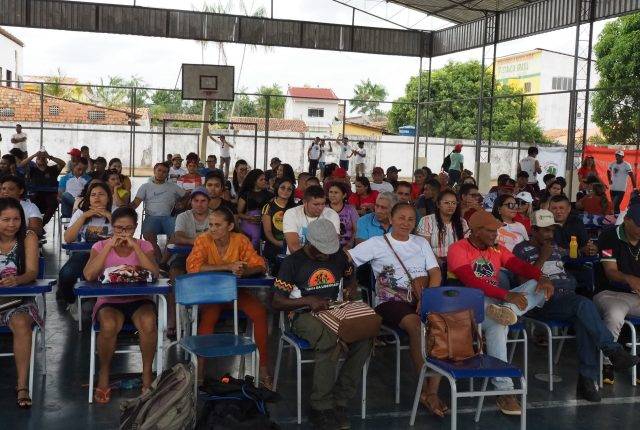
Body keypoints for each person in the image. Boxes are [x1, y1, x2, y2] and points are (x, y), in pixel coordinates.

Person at [513, 209, 638, 401]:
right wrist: (543, 257)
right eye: (545, 230)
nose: (550, 234)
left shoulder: (555, 247)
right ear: (534, 230)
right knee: (583, 305)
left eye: (552, 230)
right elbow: (523, 283)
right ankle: (612, 351)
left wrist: (586, 250)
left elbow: (574, 254)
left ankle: (587, 381)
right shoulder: (521, 250)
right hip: (542, 302)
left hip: (567, 300)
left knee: (583, 319)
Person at [447, 210, 553, 415]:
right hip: (468, 306)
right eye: (491, 231)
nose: (495, 235)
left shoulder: (497, 248)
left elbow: (519, 266)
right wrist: (506, 295)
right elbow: (472, 282)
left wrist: (543, 277)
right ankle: (505, 391)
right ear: (476, 231)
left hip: (495, 304)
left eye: (496, 231)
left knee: (537, 287)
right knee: (498, 324)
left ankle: (507, 311)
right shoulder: (458, 248)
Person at [349, 203, 446, 417]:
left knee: (441, 326)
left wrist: (428, 299)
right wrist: (349, 285)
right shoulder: (377, 243)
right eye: (401, 218)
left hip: (422, 297)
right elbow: (349, 259)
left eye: (411, 219)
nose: (406, 223)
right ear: (391, 219)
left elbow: (435, 273)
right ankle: (424, 388)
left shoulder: (421, 242)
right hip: (390, 302)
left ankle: (432, 391)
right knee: (417, 326)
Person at [273, 219, 372, 428]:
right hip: (301, 314)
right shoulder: (293, 262)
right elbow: (277, 302)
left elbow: (350, 278)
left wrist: (351, 289)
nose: (326, 255)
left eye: (329, 250)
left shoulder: (339, 256)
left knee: (365, 337)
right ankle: (321, 406)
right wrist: (308, 300)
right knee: (329, 340)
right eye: (321, 250)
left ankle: (340, 400)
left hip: (334, 309)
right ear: (310, 242)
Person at [186, 207, 271, 386]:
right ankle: (199, 370)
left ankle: (263, 368)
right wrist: (228, 266)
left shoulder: (240, 240)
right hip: (211, 293)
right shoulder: (203, 240)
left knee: (260, 313)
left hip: (236, 292)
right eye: (210, 225)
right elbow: (193, 267)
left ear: (230, 226)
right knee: (208, 318)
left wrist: (244, 271)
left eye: (218, 225)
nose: (212, 229)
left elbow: (260, 265)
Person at [82, 206, 159, 403]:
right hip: (110, 301)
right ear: (112, 227)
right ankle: (104, 373)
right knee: (108, 325)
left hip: (139, 300)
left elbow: (154, 273)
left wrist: (135, 247)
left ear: (135, 227)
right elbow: (89, 275)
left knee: (148, 322)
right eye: (118, 228)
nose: (123, 232)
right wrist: (108, 246)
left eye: (128, 228)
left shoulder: (144, 245)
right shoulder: (100, 246)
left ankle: (147, 374)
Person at [0, 198, 40, 409]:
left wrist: (17, 280)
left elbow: (32, 272)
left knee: (22, 324)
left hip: (19, 299)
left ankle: (22, 385)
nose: (11, 224)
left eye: (16, 219)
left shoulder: (28, 237)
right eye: (5, 219)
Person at [595, 204, 640, 385]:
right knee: (614, 315)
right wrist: (630, 279)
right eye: (639, 225)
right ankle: (607, 362)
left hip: (636, 296)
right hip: (610, 293)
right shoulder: (609, 236)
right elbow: (610, 271)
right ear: (627, 220)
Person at [58, 182, 113, 312]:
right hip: (85, 253)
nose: (97, 197)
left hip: (110, 255)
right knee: (66, 274)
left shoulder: (116, 211)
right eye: (93, 195)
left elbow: (124, 234)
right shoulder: (81, 213)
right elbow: (68, 238)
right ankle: (71, 301)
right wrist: (84, 216)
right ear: (88, 198)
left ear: (108, 198)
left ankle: (105, 302)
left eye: (101, 194)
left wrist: (109, 216)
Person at [168, 187, 212, 336]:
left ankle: (203, 320)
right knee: (174, 274)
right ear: (191, 202)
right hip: (184, 255)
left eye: (203, 201)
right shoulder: (183, 216)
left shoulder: (215, 216)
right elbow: (178, 237)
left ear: (208, 202)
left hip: (208, 257)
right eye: (196, 201)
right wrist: (199, 241)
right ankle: (173, 319)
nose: (199, 204)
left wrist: (191, 241)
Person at [131, 162, 188, 261]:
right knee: (148, 235)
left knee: (177, 236)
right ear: (154, 171)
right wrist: (124, 209)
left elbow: (186, 195)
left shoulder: (173, 186)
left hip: (168, 217)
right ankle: (159, 259)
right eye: (159, 170)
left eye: (164, 172)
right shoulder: (145, 186)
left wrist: (181, 203)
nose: (161, 173)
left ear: (167, 174)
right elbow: (136, 203)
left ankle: (164, 260)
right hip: (151, 217)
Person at [417, 189, 468, 268]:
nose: (451, 206)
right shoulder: (427, 220)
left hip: (457, 263)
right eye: (446, 203)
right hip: (432, 263)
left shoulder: (462, 222)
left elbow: (466, 246)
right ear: (438, 204)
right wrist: (442, 264)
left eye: (454, 203)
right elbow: (425, 249)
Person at [283, 185, 340, 254]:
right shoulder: (291, 213)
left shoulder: (332, 214)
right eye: (316, 204)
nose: (320, 208)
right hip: (297, 258)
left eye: (323, 204)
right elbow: (293, 247)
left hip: (323, 258)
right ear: (304, 202)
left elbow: (333, 245)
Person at [22, 150, 65, 225]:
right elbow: (21, 165)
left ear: (47, 161)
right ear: (35, 161)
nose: (41, 158)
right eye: (38, 158)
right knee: (30, 201)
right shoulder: (32, 170)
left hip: (50, 196)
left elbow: (62, 163)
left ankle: (41, 224)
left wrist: (49, 156)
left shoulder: (53, 169)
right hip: (36, 196)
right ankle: (37, 224)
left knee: (54, 201)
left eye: (43, 158)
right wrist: (34, 155)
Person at [262, 177, 295, 274]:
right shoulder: (268, 207)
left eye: (289, 189)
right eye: (282, 188)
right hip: (273, 247)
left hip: (291, 247)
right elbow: (268, 232)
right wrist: (279, 243)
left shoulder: (295, 208)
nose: (286, 191)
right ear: (277, 188)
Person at [237, 169, 273, 249]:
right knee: (255, 237)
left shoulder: (270, 195)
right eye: (261, 180)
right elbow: (238, 213)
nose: (264, 181)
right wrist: (249, 217)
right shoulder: (245, 195)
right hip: (248, 223)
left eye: (265, 179)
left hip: (264, 224)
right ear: (254, 181)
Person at [327, 181, 358, 250]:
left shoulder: (351, 209)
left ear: (344, 195)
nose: (332, 195)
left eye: (336, 192)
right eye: (330, 192)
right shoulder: (324, 210)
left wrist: (350, 244)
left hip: (347, 245)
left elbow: (357, 230)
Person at [608, 150, 637, 215]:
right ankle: (617, 218)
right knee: (615, 206)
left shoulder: (626, 165)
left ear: (623, 157)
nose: (617, 157)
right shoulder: (612, 164)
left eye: (619, 156)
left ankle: (616, 218)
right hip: (612, 188)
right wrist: (609, 179)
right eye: (616, 155)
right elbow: (608, 171)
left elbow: (632, 176)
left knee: (614, 204)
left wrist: (634, 187)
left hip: (621, 189)